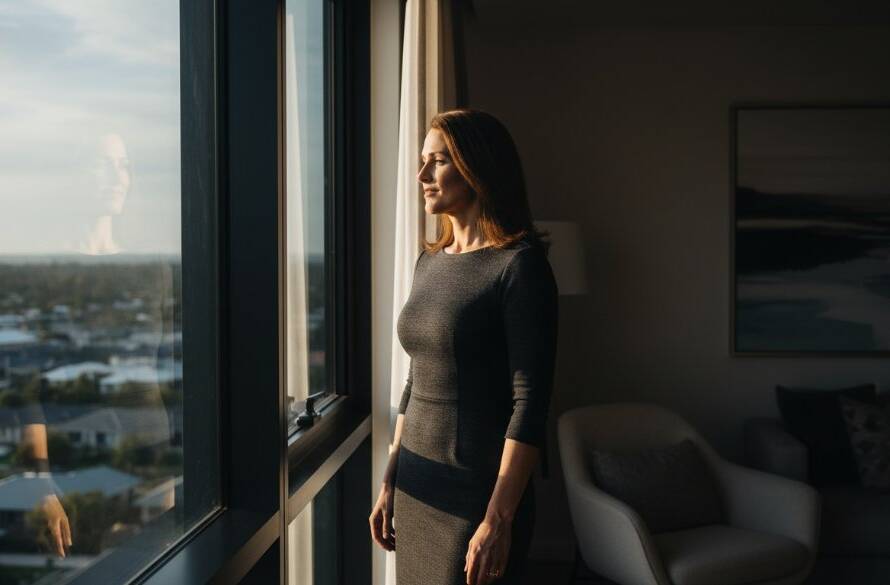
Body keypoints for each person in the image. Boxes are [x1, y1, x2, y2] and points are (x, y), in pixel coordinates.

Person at [369, 109, 559, 585]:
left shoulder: (520, 267)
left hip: (479, 494)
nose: (422, 176)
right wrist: (391, 476)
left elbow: (529, 404)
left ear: (477, 168)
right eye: (422, 161)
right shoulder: (429, 262)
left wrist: (498, 518)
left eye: (437, 162)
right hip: (417, 484)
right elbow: (416, 379)